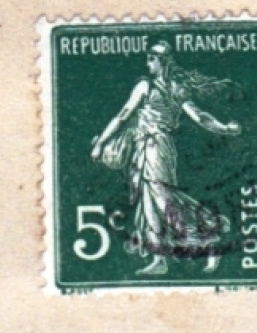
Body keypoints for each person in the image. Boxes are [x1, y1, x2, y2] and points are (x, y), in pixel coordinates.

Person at [90, 42, 243, 276]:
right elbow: (124, 116)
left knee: (162, 199)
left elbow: (198, 116)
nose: (147, 63)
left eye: (151, 58)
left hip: (157, 147)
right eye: (148, 58)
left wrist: (224, 128)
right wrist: (225, 128)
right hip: (142, 149)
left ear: (163, 61)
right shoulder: (158, 86)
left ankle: (210, 238)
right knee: (148, 202)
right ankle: (159, 258)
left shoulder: (159, 87)